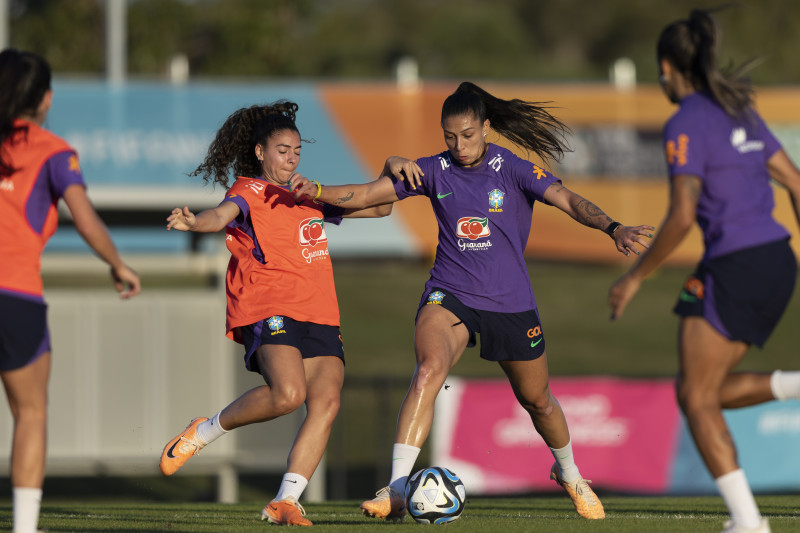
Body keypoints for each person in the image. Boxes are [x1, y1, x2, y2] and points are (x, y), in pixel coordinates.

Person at [292, 81, 653, 521]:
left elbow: (569, 201)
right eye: (449, 136)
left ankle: (572, 475)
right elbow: (368, 195)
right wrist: (315, 191)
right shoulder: (431, 170)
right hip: (450, 293)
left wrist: (613, 227)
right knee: (428, 370)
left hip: (510, 302)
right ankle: (398, 488)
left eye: (466, 134)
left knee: (538, 401)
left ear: (485, 127)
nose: (458, 145)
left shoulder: (516, 168)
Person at [608, 9, 800, 533]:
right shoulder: (742, 112)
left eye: (659, 69)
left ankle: (748, 524)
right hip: (779, 262)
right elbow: (798, 184)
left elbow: (682, 216)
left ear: (668, 68)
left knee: (694, 398)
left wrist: (634, 277)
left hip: (734, 264)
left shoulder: (685, 122)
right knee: (702, 392)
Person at [158, 100, 392, 527]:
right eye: (283, 150)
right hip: (270, 305)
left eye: (297, 151)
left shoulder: (308, 194)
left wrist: (389, 173)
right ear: (261, 152)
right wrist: (195, 223)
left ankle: (285, 501)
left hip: (320, 311)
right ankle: (205, 429)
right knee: (288, 395)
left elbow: (380, 206)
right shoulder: (249, 190)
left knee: (327, 401)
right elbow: (219, 215)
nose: (291, 158)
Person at [0, 49, 141, 533]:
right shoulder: (53, 151)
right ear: (46, 99)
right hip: (14, 296)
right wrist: (118, 264)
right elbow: (84, 219)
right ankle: (22, 528)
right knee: (31, 412)